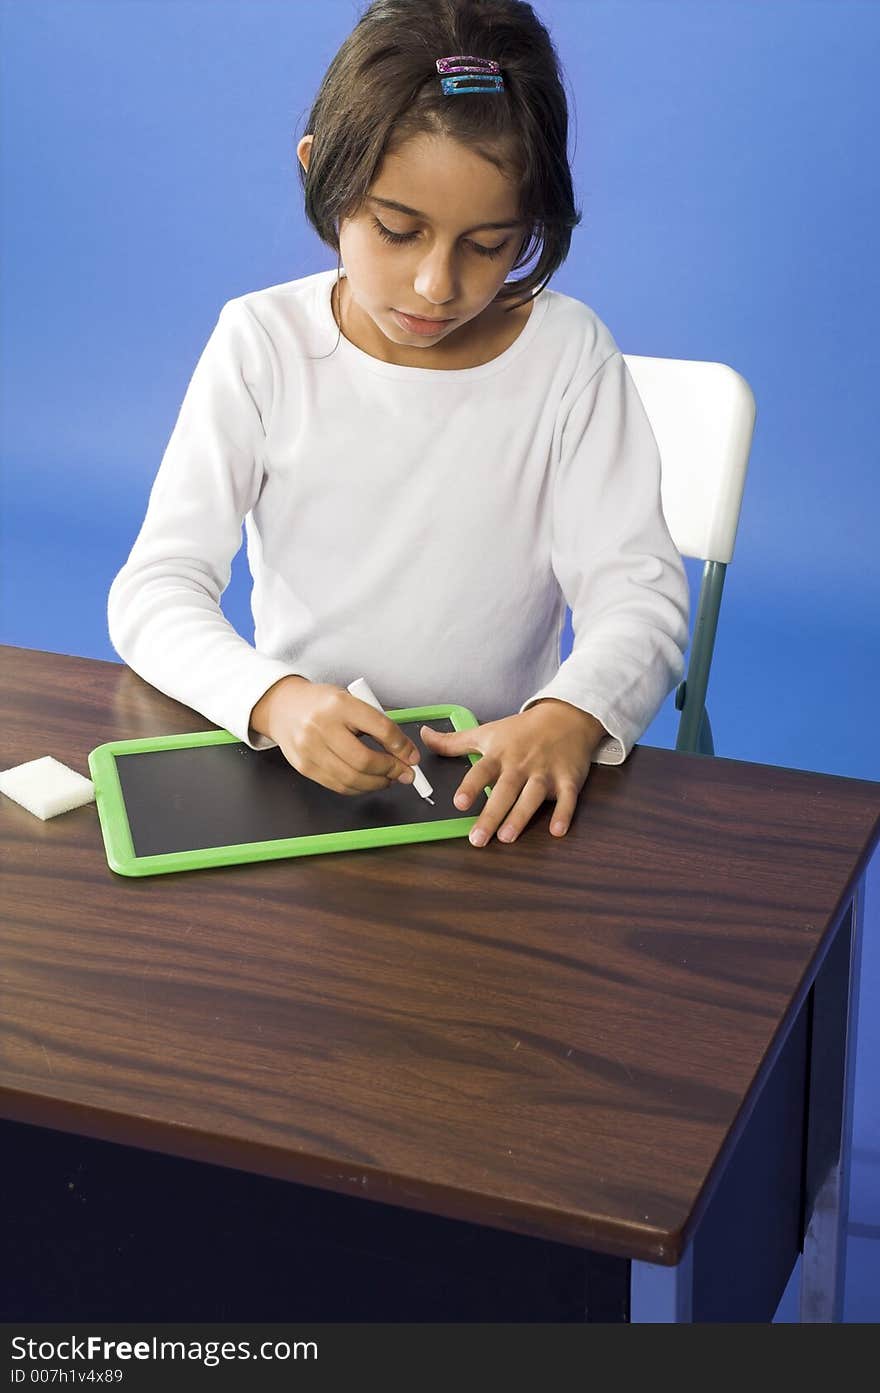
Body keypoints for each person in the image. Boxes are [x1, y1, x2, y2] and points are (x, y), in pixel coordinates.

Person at [108, 0, 689, 850]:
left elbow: (639, 593)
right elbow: (154, 590)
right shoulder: (262, 344)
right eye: (396, 231)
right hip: (306, 774)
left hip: (497, 782)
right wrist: (274, 699)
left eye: (489, 244)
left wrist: (571, 711)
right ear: (318, 174)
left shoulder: (570, 357)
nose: (434, 285)